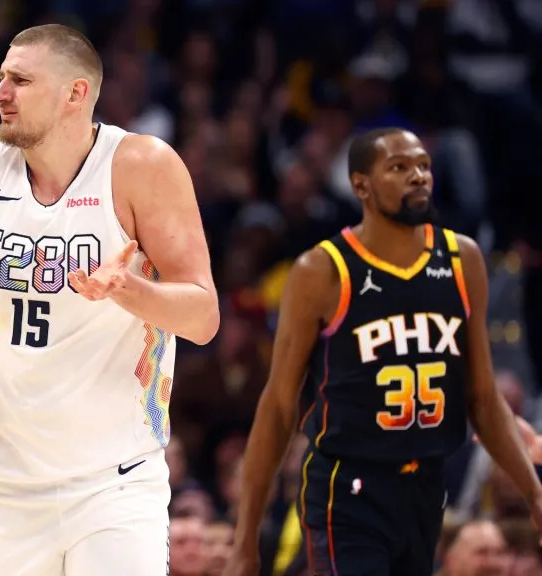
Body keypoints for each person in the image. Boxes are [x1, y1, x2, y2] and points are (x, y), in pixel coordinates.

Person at [0, 23, 219, 576]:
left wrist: (128, 289)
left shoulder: (141, 166)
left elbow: (202, 317)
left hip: (113, 483)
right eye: (1, 78)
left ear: (74, 94)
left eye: (20, 80)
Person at [224, 127, 542, 576]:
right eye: (399, 167)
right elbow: (278, 406)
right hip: (348, 489)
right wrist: (245, 540)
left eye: (423, 166)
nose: (418, 176)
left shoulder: (462, 260)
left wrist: (534, 493)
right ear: (361, 186)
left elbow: (484, 398)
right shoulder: (323, 270)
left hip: (425, 487)